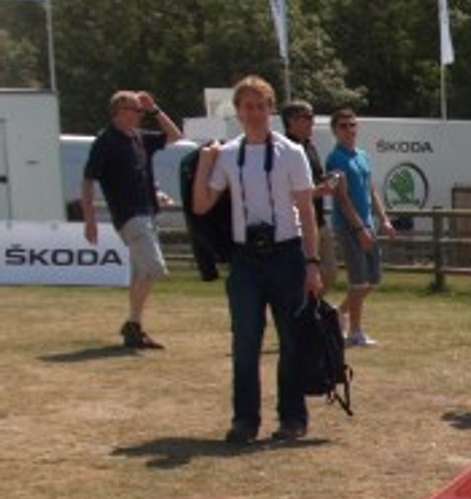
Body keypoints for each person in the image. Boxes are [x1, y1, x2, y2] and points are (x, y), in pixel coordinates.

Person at [192, 74, 322, 444]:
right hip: (246, 257)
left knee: (291, 339)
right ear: (237, 111)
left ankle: (292, 418)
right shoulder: (229, 154)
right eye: (247, 107)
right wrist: (206, 162)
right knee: (245, 340)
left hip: (286, 254)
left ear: (271, 109)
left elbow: (307, 210)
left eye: (261, 106)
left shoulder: (291, 153)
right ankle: (245, 420)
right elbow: (202, 204)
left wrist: (312, 264)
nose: (254, 113)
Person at [80, 89, 183, 350]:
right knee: (154, 267)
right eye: (135, 110)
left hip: (146, 211)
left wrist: (155, 109)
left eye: (139, 110)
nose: (139, 115)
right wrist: (90, 219)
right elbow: (87, 180)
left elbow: (175, 136)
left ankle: (133, 326)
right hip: (129, 215)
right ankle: (132, 325)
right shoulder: (106, 141)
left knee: (141, 272)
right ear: (118, 112)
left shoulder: (138, 138)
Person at [324, 109, 393, 347]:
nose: (349, 130)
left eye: (352, 125)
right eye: (343, 126)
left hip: (368, 224)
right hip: (349, 226)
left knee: (373, 279)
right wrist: (359, 228)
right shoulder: (335, 159)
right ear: (334, 130)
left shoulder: (363, 155)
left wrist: (383, 218)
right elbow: (342, 198)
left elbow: (371, 189)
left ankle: (338, 312)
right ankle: (354, 331)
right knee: (359, 281)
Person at [280, 100, 337, 282]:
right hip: (297, 225)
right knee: (304, 278)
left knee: (329, 274)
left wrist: (328, 180)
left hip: (318, 220)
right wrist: (317, 191)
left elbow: (314, 179)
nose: (312, 122)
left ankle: (312, 309)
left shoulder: (310, 147)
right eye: (308, 117)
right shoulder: (284, 150)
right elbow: (284, 191)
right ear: (291, 120)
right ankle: (305, 309)